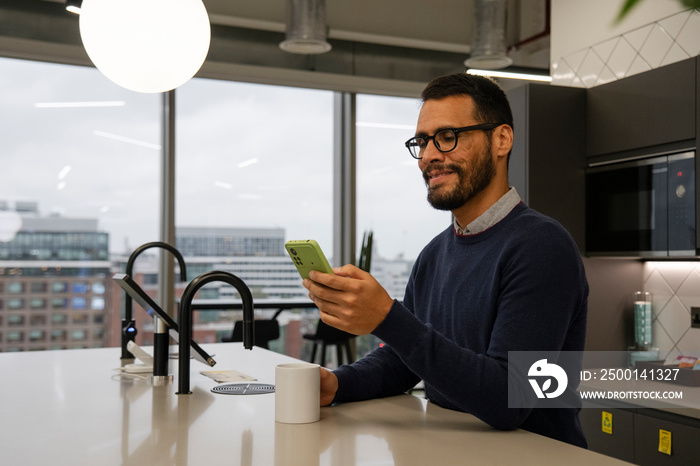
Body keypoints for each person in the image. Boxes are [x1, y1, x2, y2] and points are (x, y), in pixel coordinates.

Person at [302, 73, 589, 448]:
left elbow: (509, 398)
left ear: (501, 140)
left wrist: (388, 318)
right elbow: (405, 362)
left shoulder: (542, 246)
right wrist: (338, 382)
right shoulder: (434, 254)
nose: (429, 156)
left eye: (447, 137)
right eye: (422, 142)